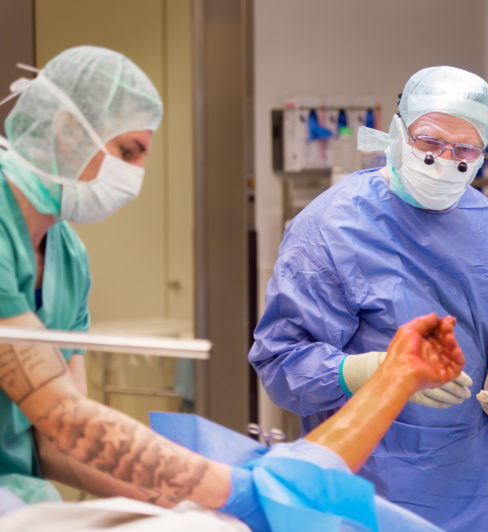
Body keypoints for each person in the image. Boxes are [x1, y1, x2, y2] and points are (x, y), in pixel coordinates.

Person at [0, 46, 464, 532]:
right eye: (127, 151)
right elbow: (65, 420)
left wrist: (185, 498)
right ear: (68, 130)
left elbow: (56, 445)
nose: (135, 174)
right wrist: (231, 489)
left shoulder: (68, 258)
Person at [249, 65, 488, 531]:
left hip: (473, 488)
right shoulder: (331, 226)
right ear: (398, 133)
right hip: (366, 490)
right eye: (429, 142)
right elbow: (282, 362)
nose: (445, 159)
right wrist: (371, 372)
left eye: (464, 149)